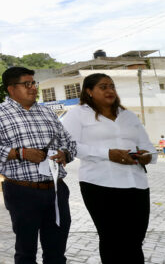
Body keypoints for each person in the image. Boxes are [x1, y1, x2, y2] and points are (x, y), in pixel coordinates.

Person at [0, 66, 77, 264]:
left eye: (34, 83)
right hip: (21, 192)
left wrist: (65, 154)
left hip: (56, 191)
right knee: (26, 254)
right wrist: (21, 153)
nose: (33, 88)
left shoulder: (48, 113)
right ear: (11, 89)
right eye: (27, 84)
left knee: (56, 254)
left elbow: (71, 143)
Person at [61, 73, 156, 264]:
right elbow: (71, 145)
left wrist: (146, 156)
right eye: (103, 87)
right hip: (100, 185)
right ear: (89, 91)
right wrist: (107, 153)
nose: (110, 90)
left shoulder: (128, 115)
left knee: (135, 241)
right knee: (112, 240)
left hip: (136, 185)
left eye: (112, 86)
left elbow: (149, 148)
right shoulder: (77, 114)